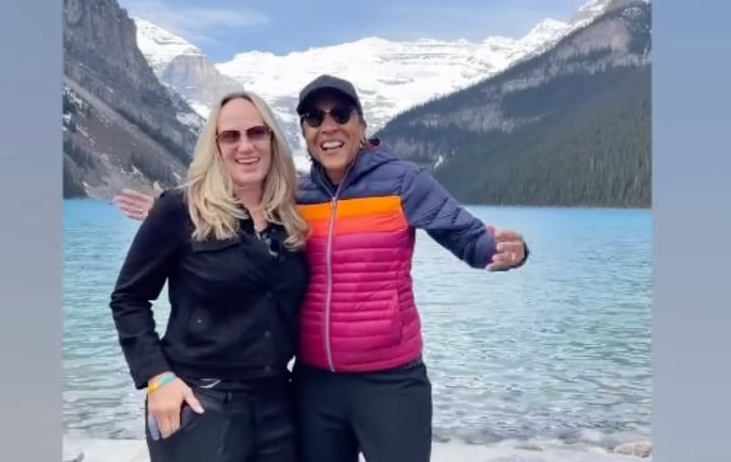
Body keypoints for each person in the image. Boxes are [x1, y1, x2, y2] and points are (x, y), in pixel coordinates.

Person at [113, 74, 529, 462]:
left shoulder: (396, 183)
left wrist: (506, 251)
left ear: (361, 124)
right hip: (297, 386)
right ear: (305, 134)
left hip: (381, 381)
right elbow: (214, 236)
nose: (328, 126)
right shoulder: (293, 196)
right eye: (314, 118)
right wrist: (172, 217)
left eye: (341, 114)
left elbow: (465, 235)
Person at [109, 91, 310, 462]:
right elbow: (129, 299)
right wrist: (158, 378)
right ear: (214, 147)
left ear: (273, 140)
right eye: (231, 136)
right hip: (201, 404)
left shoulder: (289, 218)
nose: (245, 146)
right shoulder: (180, 209)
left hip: (277, 404)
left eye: (256, 133)